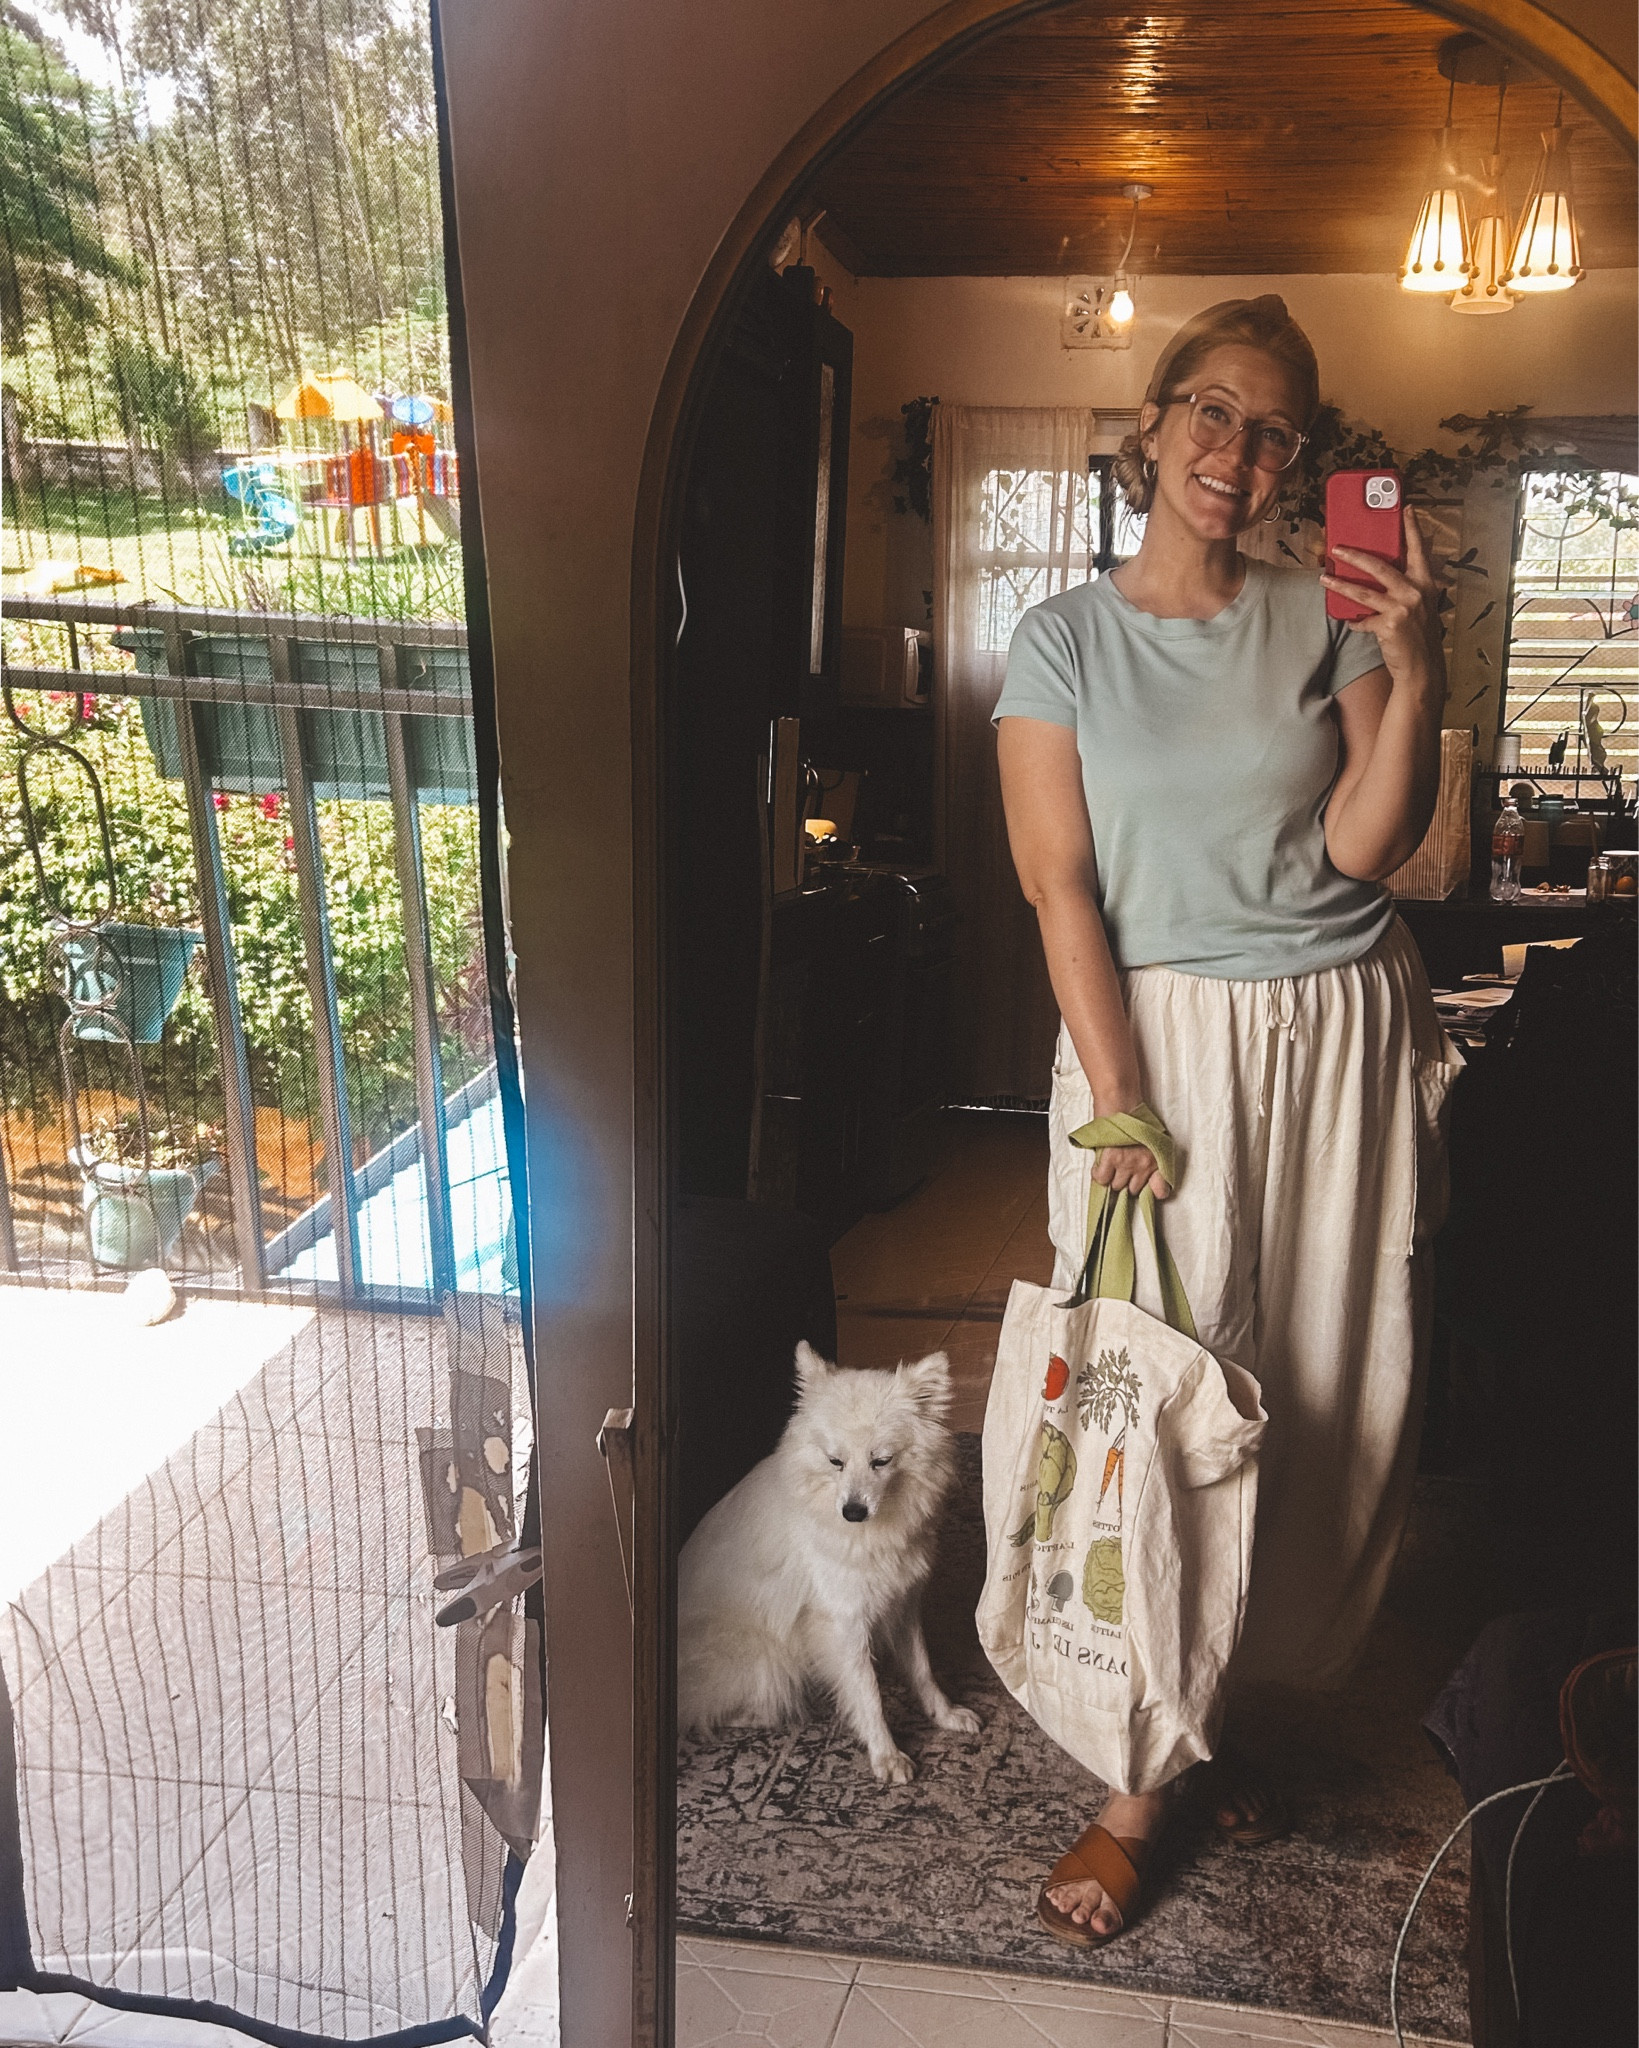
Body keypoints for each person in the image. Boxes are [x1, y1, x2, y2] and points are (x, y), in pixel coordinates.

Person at [992, 295, 1463, 1946]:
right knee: (1156, 1390)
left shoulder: (1322, 615)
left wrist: (1418, 665)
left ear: (1298, 461)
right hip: (1161, 1042)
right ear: (1154, 421)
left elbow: (1364, 849)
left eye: (1272, 428)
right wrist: (1117, 1100)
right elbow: (1062, 891)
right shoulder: (1060, 638)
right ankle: (1134, 1773)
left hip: (1337, 1027)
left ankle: (1213, 1713)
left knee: (1329, 1384)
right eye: (1212, 411)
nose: (1237, 450)